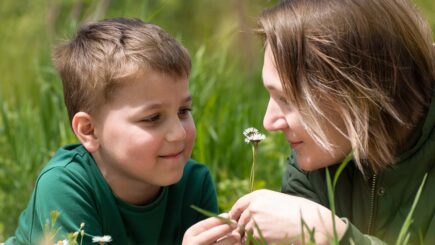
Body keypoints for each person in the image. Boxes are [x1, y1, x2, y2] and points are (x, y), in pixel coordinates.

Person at [227, 0, 435, 244]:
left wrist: (331, 233)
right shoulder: (317, 158)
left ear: (360, 88)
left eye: (288, 99)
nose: (269, 122)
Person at [5, 17, 223, 245]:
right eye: (152, 118)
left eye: (183, 111)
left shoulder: (194, 184)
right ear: (89, 131)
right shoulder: (65, 186)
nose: (178, 133)